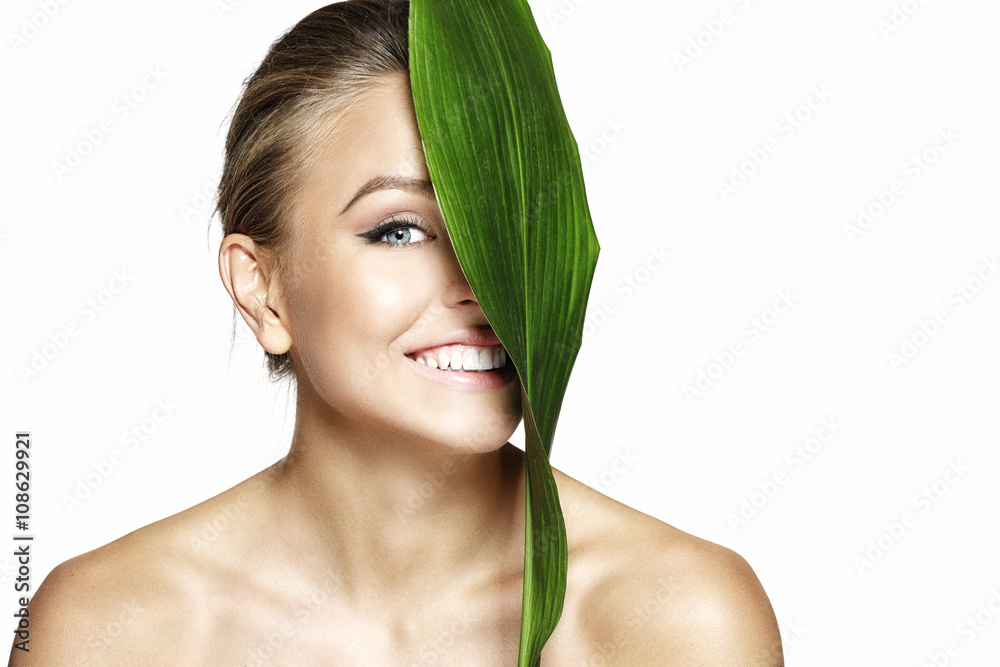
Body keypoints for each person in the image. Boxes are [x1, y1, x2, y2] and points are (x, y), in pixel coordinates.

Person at [11, 1, 782, 664]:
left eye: (501, 221)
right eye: (398, 230)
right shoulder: (104, 630)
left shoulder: (676, 620)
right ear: (262, 289)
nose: (478, 281)